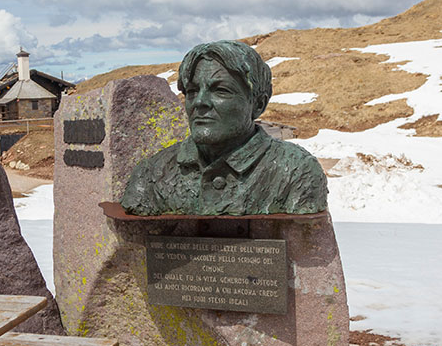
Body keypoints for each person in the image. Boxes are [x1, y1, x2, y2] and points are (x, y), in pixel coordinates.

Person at [120, 40, 327, 216]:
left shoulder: (297, 172)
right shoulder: (151, 174)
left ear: (258, 104)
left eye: (220, 90)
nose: (200, 102)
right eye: (192, 91)